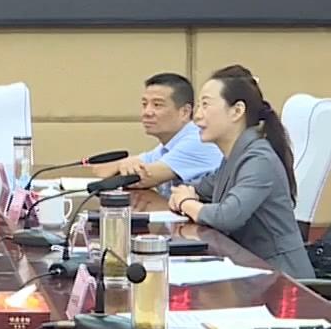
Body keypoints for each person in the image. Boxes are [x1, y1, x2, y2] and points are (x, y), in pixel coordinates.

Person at [167, 69, 314, 277]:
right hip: (251, 271)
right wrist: (185, 193)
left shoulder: (259, 159)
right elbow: (202, 188)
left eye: (205, 105)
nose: (197, 116)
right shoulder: (234, 156)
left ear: (237, 111)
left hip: (283, 280)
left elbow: (228, 216)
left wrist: (185, 203)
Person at [92, 72, 223, 194]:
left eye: (157, 105)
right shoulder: (168, 144)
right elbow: (102, 170)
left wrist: (124, 167)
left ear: (185, 112)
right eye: (144, 104)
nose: (147, 112)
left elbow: (142, 178)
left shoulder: (198, 140)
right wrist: (124, 165)